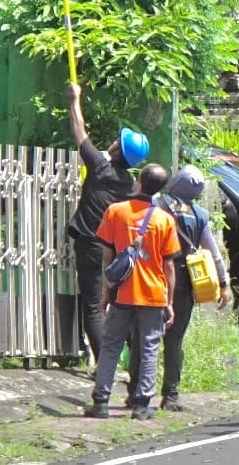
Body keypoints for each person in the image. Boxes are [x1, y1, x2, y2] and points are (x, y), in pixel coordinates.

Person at [126, 165, 230, 412]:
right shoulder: (200, 214)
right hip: (184, 283)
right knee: (175, 340)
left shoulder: (154, 203)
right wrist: (223, 284)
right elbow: (214, 254)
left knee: (142, 338)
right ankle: (171, 395)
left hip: (152, 279)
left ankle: (137, 394)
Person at [65, 83, 150, 366]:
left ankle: (104, 367)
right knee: (118, 306)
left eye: (117, 140)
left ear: (117, 149)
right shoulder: (130, 184)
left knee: (93, 306)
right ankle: (132, 362)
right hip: (117, 252)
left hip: (90, 245)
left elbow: (78, 129)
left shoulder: (100, 167)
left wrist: (75, 99)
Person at [86, 163, 178, 421]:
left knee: (111, 346)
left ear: (138, 181)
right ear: (160, 190)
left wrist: (107, 289)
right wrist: (169, 301)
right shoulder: (165, 220)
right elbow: (169, 266)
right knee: (149, 348)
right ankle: (141, 405)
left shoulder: (115, 212)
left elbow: (108, 255)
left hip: (122, 293)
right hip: (153, 294)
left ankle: (101, 401)